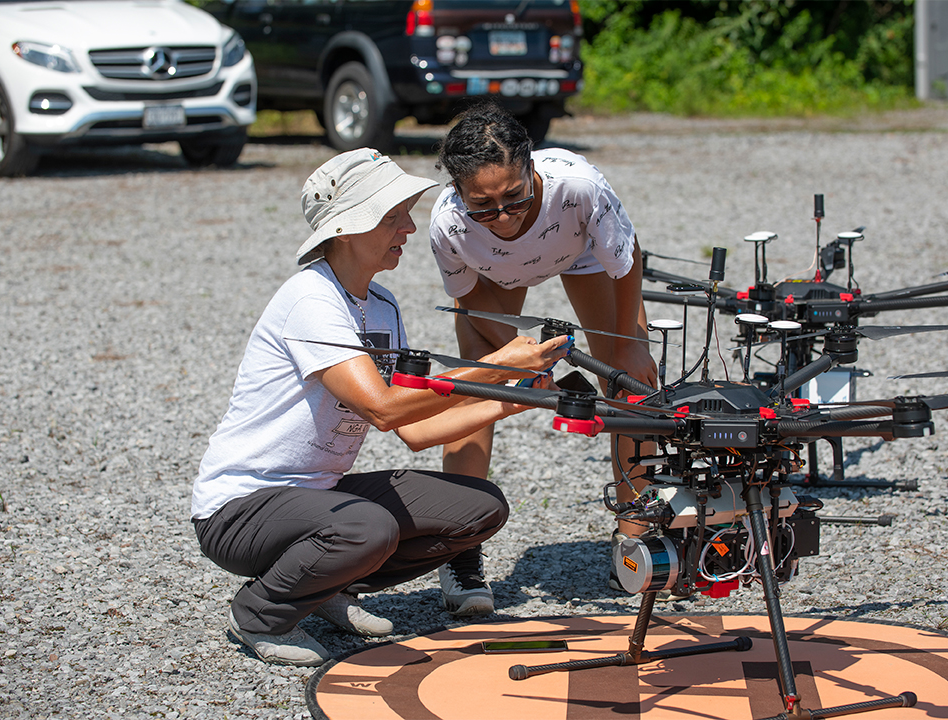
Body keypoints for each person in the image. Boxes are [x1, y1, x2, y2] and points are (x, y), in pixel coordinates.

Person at [191, 148, 570, 667]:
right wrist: (497, 361)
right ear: (348, 228)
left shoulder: (383, 305)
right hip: (239, 510)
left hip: (317, 495)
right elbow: (384, 408)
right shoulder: (312, 299)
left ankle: (320, 587)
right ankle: (261, 611)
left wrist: (517, 398)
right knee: (369, 527)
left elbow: (417, 429)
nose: (408, 229)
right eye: (393, 217)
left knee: (480, 508)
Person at [429, 101, 658, 614]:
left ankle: (636, 536)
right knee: (473, 388)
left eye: (514, 197)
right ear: (458, 193)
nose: (504, 216)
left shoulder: (579, 187)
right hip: (494, 275)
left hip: (578, 251)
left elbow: (625, 260)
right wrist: (524, 363)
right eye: (483, 206)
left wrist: (630, 344)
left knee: (631, 386)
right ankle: (460, 549)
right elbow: (473, 305)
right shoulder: (450, 224)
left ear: (532, 171)